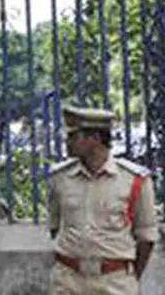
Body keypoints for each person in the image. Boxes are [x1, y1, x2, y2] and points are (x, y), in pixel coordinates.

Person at [48, 104, 158, 295]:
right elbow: (55, 227)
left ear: (94, 139)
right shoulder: (61, 177)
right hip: (67, 281)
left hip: (113, 283)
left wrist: (126, 277)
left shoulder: (134, 180)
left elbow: (146, 238)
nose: (67, 142)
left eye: (73, 136)